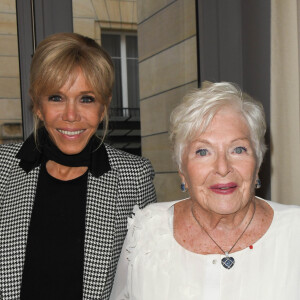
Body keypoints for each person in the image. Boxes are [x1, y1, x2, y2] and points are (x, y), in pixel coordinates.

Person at [0, 32, 156, 300]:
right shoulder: (2, 168)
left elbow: (145, 283)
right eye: (56, 98)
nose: (71, 116)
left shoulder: (134, 178)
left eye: (86, 99)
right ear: (38, 106)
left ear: (103, 107)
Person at [110, 82, 300, 300]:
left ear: (257, 163)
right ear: (182, 170)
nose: (222, 168)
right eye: (203, 152)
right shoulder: (147, 231)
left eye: (238, 149)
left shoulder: (295, 232)